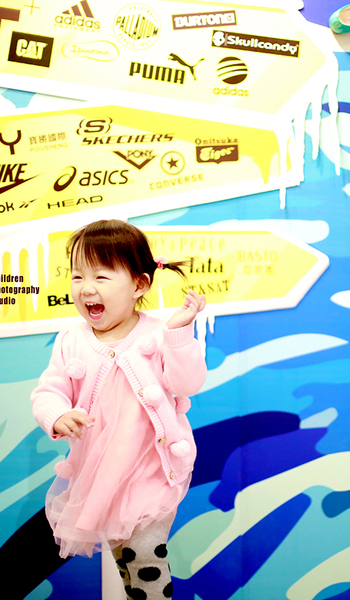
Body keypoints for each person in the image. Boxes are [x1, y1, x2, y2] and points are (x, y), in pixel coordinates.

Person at [31, 219, 207, 600]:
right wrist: (57, 415)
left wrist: (179, 334)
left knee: (144, 553)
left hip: (151, 472)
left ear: (139, 284)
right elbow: (49, 390)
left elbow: (187, 384)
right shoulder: (72, 340)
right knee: (126, 564)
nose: (86, 288)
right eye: (77, 276)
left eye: (101, 276)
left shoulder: (159, 332)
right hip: (102, 476)